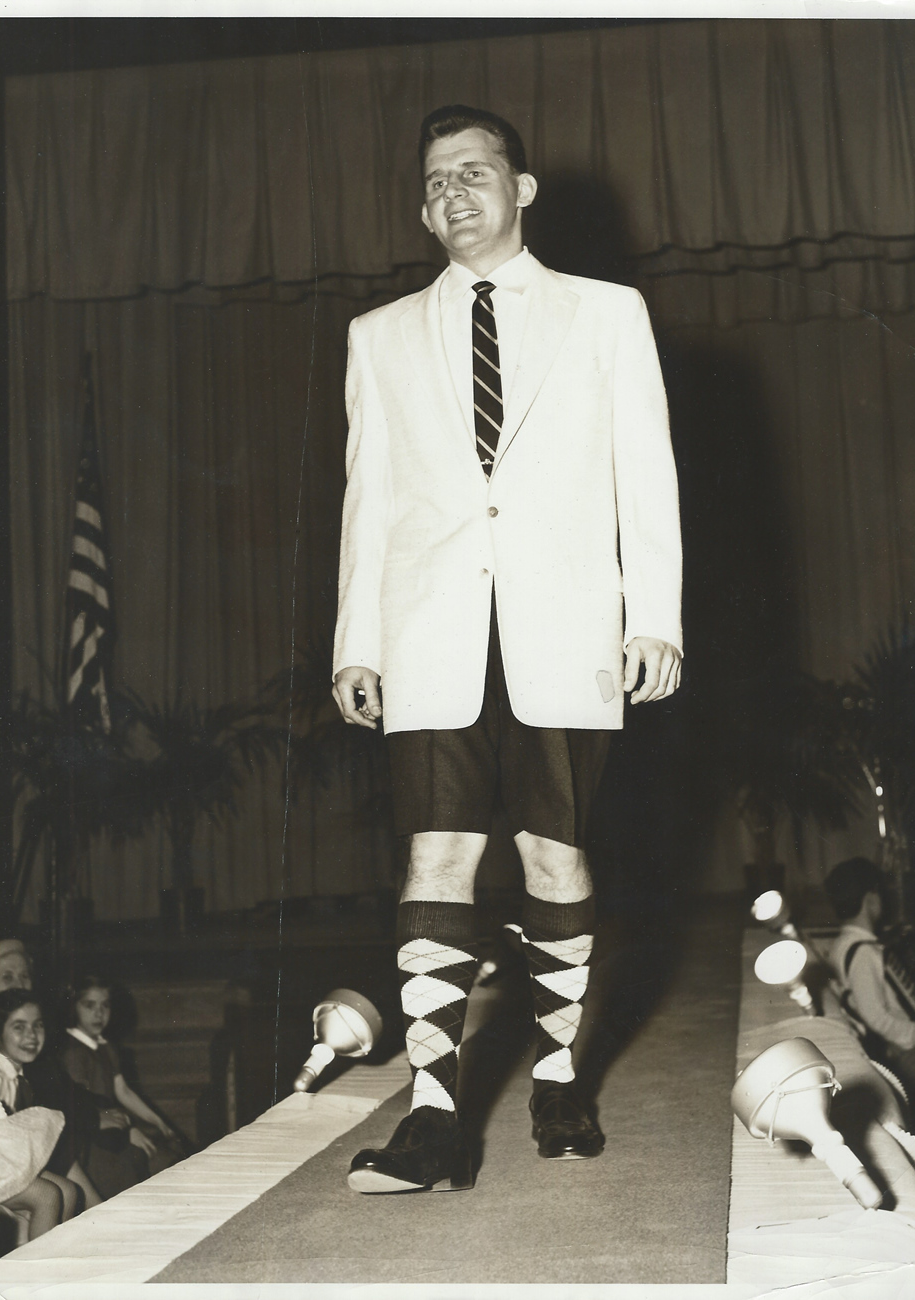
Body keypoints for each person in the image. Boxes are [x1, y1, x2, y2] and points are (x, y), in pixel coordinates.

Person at [332, 105, 683, 1193]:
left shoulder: (606, 313)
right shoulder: (380, 334)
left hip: (565, 631)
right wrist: (357, 640)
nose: (453, 194)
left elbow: (646, 472)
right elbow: (367, 499)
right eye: (436, 181)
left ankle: (560, 1079)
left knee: (553, 858)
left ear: (521, 190)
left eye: (474, 173)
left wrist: (654, 617)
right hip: (431, 635)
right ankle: (434, 1115)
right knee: (435, 858)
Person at [824, 857, 915, 1107]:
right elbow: (877, 1019)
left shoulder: (841, 946)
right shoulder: (863, 953)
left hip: (907, 1048)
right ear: (870, 898)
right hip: (912, 1054)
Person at [0, 989, 101, 1226]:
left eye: (38, 1025)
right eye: (19, 1027)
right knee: (49, 1195)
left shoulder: (21, 1076)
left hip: (8, 1162)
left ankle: (53, 1243)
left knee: (69, 1191)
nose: (32, 1035)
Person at [60, 975, 179, 1198]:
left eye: (105, 1005)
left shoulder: (105, 1047)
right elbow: (82, 1104)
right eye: (90, 1005)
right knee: (147, 1162)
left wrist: (158, 1121)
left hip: (113, 1126)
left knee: (168, 1151)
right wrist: (126, 1132)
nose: (99, 1014)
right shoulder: (74, 1051)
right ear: (73, 1007)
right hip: (92, 1136)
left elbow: (122, 1090)